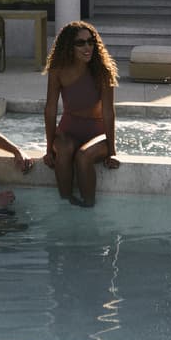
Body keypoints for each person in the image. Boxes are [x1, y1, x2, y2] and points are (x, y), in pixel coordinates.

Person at [43, 21, 120, 207]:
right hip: (68, 131)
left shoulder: (103, 71)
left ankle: (88, 207)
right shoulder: (57, 71)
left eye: (90, 42)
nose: (87, 47)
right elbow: (50, 109)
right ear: (68, 46)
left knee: (83, 156)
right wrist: (49, 148)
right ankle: (66, 204)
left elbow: (108, 112)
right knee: (64, 151)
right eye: (80, 43)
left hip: (96, 134)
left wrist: (112, 151)